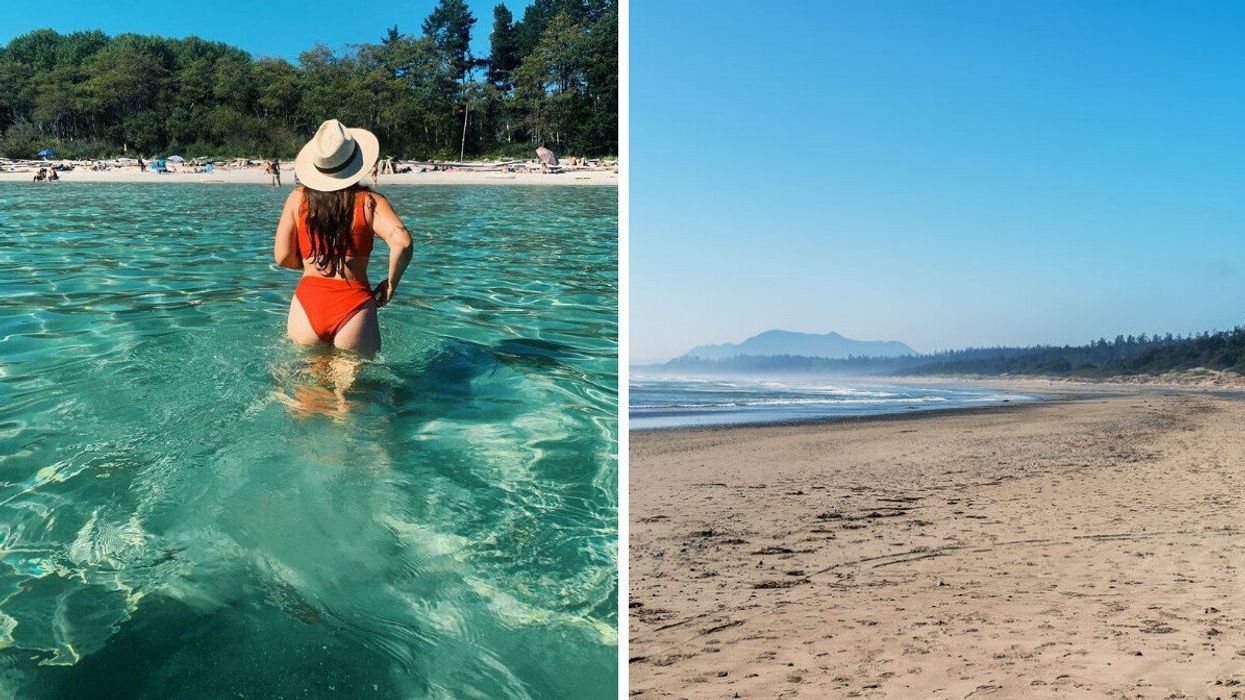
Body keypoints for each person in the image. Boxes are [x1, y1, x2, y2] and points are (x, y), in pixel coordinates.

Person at [273, 119, 413, 358]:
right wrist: (390, 285)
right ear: (355, 162)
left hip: (308, 304)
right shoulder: (370, 202)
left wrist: (310, 263)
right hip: (354, 306)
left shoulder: (297, 199)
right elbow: (402, 241)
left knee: (303, 391)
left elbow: (283, 257)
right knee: (351, 395)